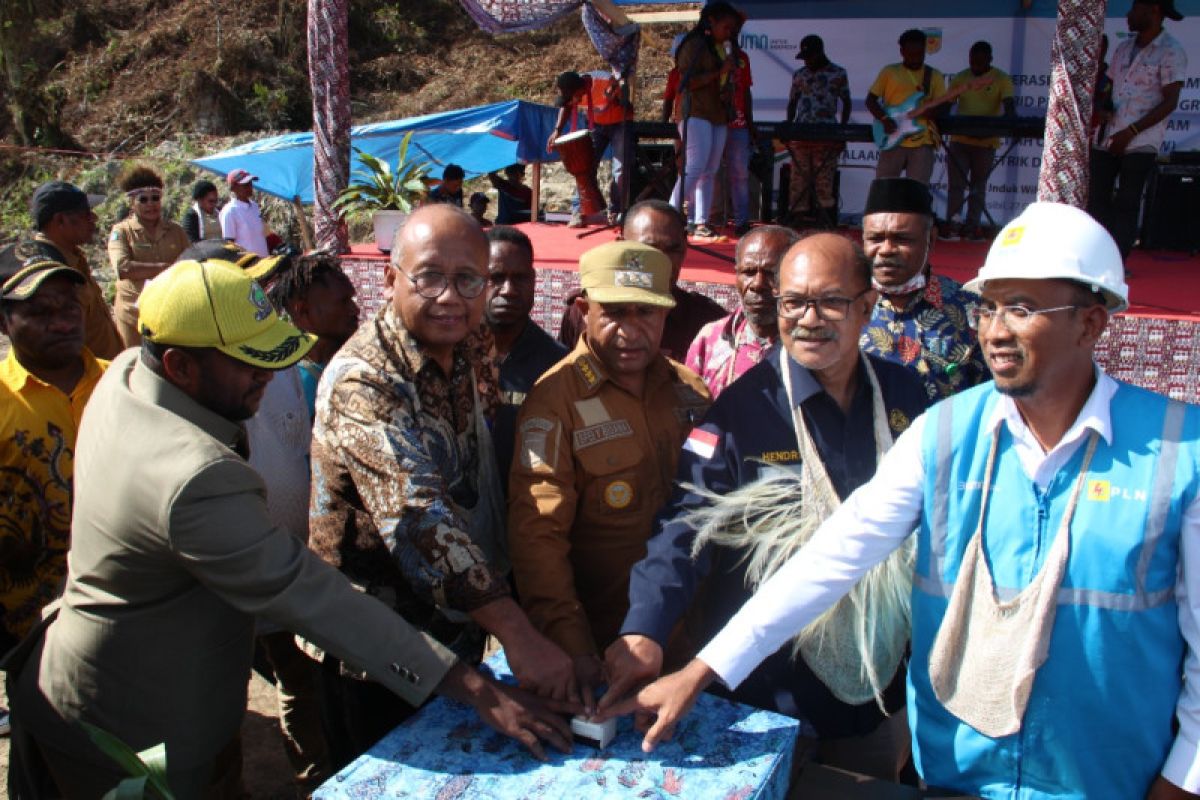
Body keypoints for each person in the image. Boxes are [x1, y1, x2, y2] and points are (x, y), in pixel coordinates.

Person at [599, 201, 1200, 800]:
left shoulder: (1179, 450)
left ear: (1092, 322)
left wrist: (1183, 779)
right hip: (945, 765)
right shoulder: (943, 432)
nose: (994, 330)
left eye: (1022, 308)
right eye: (989, 306)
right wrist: (688, 660)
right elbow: (827, 553)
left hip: (1100, 776)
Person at [6, 257, 573, 798]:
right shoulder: (194, 479)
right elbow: (315, 597)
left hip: (119, 678)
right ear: (179, 363)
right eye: (249, 362)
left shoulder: (131, 372)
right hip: (136, 729)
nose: (269, 375)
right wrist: (474, 690)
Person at [603, 233, 928, 780]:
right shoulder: (742, 411)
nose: (809, 319)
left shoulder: (904, 397)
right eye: (793, 302)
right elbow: (685, 527)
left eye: (830, 302)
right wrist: (646, 628)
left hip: (877, 692)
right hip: (769, 695)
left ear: (868, 306)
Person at [308, 205, 579, 768]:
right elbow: (419, 519)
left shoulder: (472, 341)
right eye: (429, 276)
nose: (450, 297)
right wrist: (520, 635)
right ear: (390, 279)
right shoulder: (364, 379)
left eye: (468, 280)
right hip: (375, 644)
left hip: (459, 627)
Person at [508, 240, 711, 709]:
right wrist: (572, 648)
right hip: (600, 652)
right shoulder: (554, 400)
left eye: (647, 312)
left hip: (689, 647)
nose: (631, 330)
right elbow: (537, 537)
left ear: (667, 314)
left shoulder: (691, 392)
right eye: (615, 312)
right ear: (582, 309)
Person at [0, 243, 108, 662]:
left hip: (131, 605)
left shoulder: (123, 381)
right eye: (41, 313)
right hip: (31, 625)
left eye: (69, 308)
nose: (62, 323)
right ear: (6, 323)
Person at [858, 177, 988, 401]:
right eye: (875, 239)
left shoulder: (970, 310)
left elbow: (990, 396)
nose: (886, 249)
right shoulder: (842, 305)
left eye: (902, 239)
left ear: (932, 239)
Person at [558, 199, 727, 361]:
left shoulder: (708, 323)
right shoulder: (584, 313)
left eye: (673, 250)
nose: (663, 263)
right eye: (648, 251)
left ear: (685, 246)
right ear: (621, 245)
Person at [1087, 0, 1187, 265]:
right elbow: (1110, 86)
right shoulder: (1122, 48)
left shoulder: (1170, 51)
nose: (1129, 15)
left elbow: (1170, 101)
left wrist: (1130, 132)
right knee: (1096, 198)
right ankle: (1097, 256)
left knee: (1127, 201)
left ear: (1154, 10)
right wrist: (1103, 106)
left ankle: (1117, 262)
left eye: (1134, 8)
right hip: (1109, 135)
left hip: (1140, 140)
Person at [483, 225, 566, 485]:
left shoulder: (559, 365)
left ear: (533, 280)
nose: (508, 289)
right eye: (496, 277)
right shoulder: (450, 354)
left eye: (519, 278)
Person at [685, 225, 798, 398]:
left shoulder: (812, 345)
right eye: (749, 272)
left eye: (772, 273)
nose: (757, 284)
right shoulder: (711, 338)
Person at [29, 180, 124, 360]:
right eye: (86, 215)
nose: (94, 219)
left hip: (103, 375)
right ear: (60, 220)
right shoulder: (47, 272)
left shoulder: (74, 257)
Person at [670, 2, 742, 237]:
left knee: (710, 170)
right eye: (727, 26)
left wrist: (727, 82)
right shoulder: (694, 45)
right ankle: (669, 214)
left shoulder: (721, 47)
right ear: (710, 21)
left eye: (733, 29)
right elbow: (686, 82)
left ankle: (701, 222)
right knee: (696, 165)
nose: (730, 32)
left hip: (718, 113)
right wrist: (719, 72)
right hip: (696, 112)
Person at [106, 163, 191, 348]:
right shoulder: (121, 232)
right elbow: (123, 268)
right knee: (134, 362)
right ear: (132, 203)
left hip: (169, 310)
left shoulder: (175, 230)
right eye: (143, 200)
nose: (151, 204)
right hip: (133, 313)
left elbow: (190, 263)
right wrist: (165, 269)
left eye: (155, 198)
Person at [266, 251, 360, 411]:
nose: (355, 310)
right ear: (304, 312)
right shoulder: (292, 387)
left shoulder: (357, 360)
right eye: (343, 302)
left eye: (352, 299)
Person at [943, 41, 1015, 241]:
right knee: (956, 185)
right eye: (972, 61)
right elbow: (946, 107)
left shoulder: (1001, 79)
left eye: (980, 62)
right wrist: (943, 124)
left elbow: (1010, 109)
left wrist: (997, 127)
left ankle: (972, 227)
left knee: (978, 187)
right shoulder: (961, 78)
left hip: (986, 143)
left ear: (990, 60)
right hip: (960, 141)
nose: (975, 65)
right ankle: (954, 225)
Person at [548, 68, 632, 227]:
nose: (574, 102)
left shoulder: (604, 81)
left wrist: (618, 97)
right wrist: (557, 130)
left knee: (619, 169)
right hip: (597, 125)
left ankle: (615, 212)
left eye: (574, 97)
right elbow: (566, 107)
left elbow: (627, 102)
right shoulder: (573, 86)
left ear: (580, 89)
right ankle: (580, 211)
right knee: (584, 168)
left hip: (620, 123)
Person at [785, 35, 851, 230]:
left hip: (827, 134)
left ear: (821, 52)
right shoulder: (799, 74)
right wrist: (789, 127)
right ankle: (798, 218)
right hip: (801, 133)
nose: (807, 61)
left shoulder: (838, 73)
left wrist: (842, 132)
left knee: (824, 180)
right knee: (799, 179)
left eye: (810, 56)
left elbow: (846, 102)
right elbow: (792, 102)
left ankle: (825, 222)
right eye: (804, 57)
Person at [866, 29, 946, 184]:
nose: (916, 59)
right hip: (892, 139)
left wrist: (933, 112)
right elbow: (870, 100)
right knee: (884, 189)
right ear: (902, 51)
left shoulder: (934, 75)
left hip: (923, 141)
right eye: (911, 54)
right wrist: (884, 119)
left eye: (920, 54)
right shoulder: (889, 71)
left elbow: (944, 106)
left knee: (916, 192)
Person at [720, 18, 755, 237]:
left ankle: (742, 221)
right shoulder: (713, 56)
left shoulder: (743, 59)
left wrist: (750, 122)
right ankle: (707, 219)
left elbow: (747, 91)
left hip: (739, 123)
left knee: (740, 173)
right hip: (713, 120)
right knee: (708, 171)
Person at [220, 168, 271, 256]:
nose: (249, 187)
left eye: (250, 183)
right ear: (234, 188)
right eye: (245, 184)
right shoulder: (230, 211)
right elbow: (229, 244)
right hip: (248, 266)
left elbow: (263, 234)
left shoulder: (254, 206)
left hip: (265, 262)